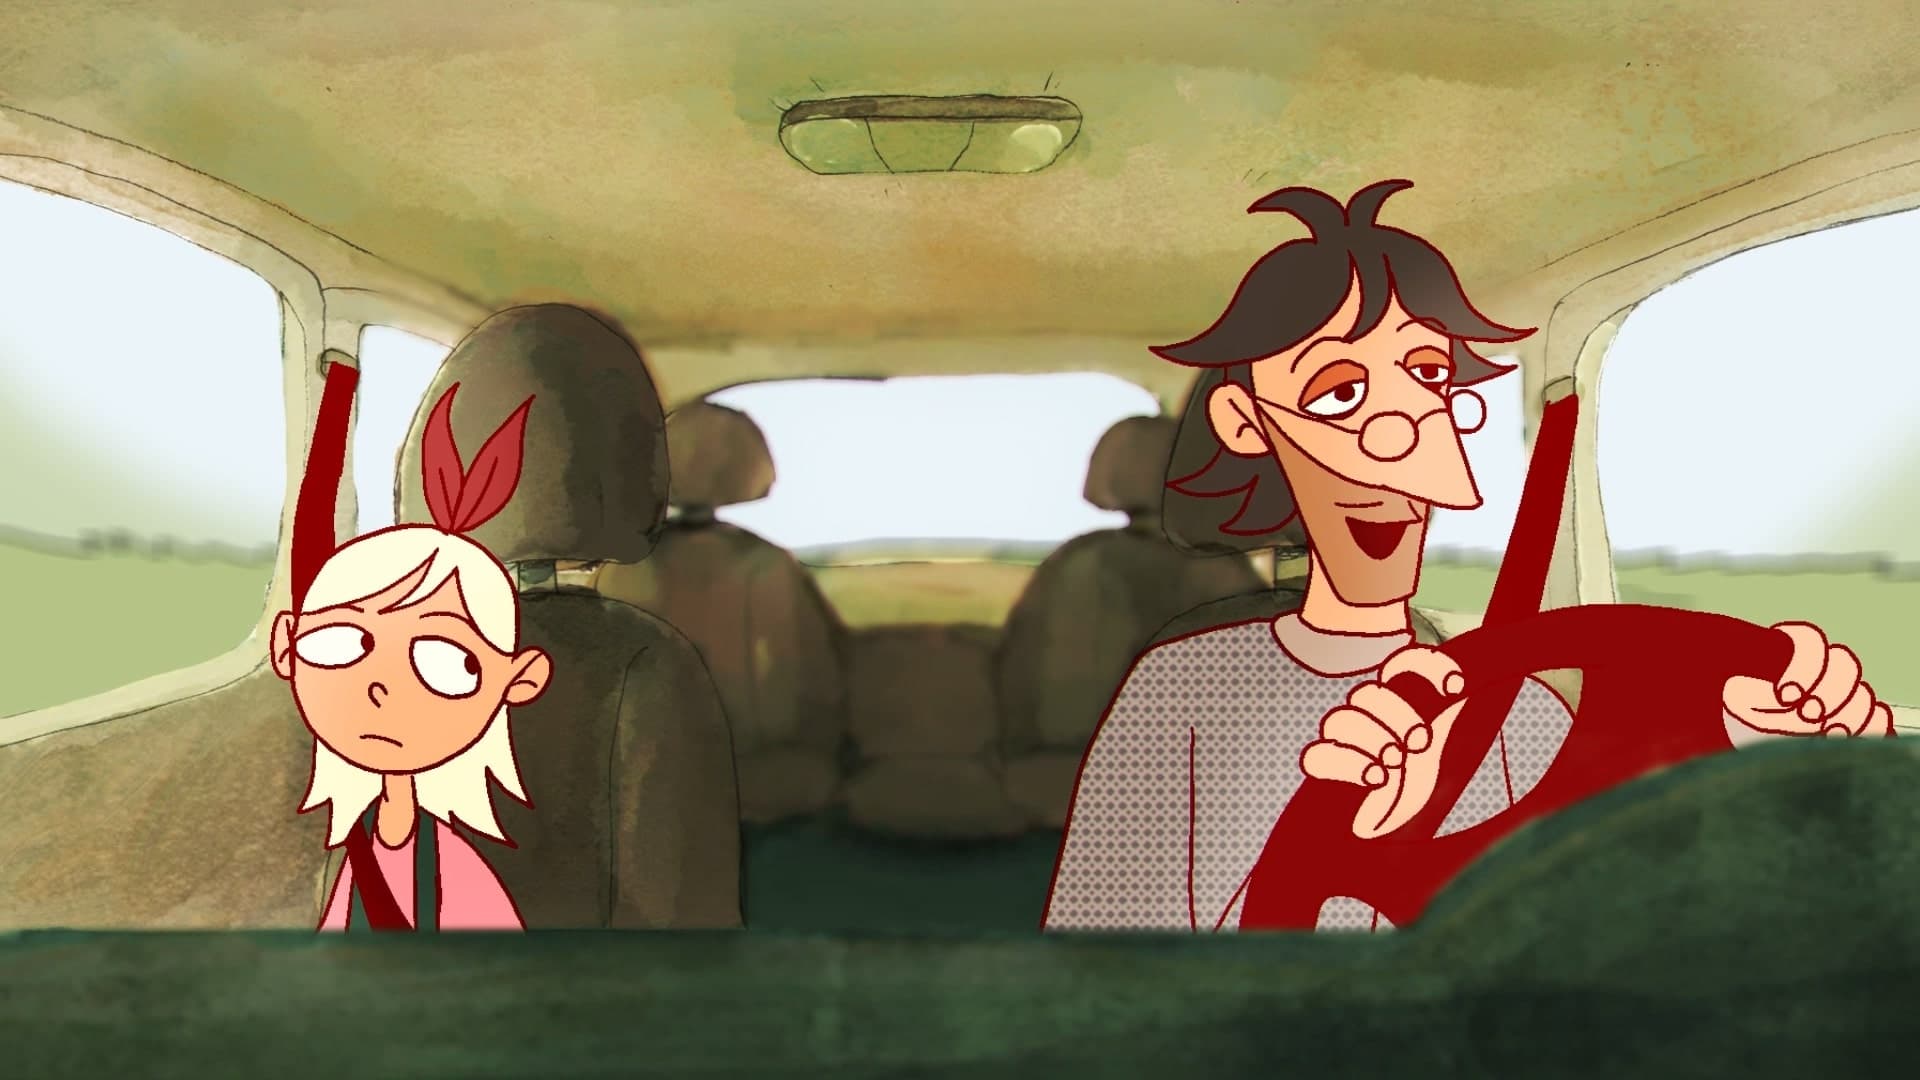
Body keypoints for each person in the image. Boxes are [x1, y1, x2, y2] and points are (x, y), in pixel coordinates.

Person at [1042, 179, 1894, 933]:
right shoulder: (1183, 691)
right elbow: (1111, 980)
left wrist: (1747, 752)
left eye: (1425, 375)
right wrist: (1358, 839)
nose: (1393, 434)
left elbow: (1600, 890)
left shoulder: (1510, 701)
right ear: (1249, 424)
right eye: (1340, 392)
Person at [273, 362, 551, 932]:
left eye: (444, 663)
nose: (380, 685)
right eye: (340, 642)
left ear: (518, 681)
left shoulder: (455, 866)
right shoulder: (364, 834)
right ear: (286, 647)